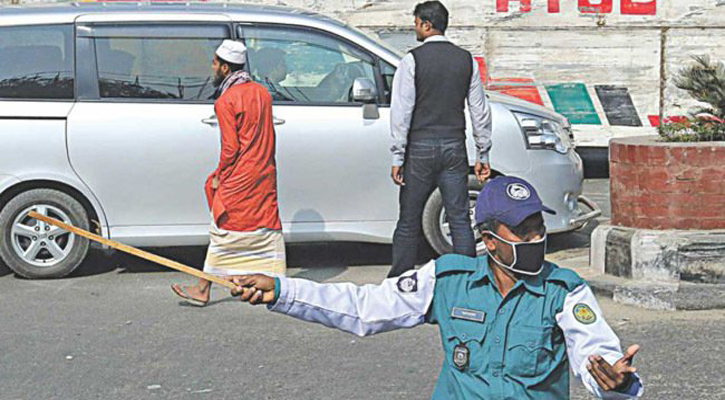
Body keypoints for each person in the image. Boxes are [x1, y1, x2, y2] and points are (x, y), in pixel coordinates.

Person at [229, 176, 644, 399]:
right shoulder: (447, 279)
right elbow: (365, 307)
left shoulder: (564, 290)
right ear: (490, 239)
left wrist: (615, 381)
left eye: (538, 228)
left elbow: (595, 351)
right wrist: (283, 292)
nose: (536, 239)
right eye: (522, 231)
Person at [171, 40, 286, 306]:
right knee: (267, 228)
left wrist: (220, 174)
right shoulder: (262, 92)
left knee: (223, 229)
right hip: (265, 173)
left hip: (241, 176)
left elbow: (231, 147)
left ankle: (203, 289)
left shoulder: (226, 100)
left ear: (224, 67)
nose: (212, 68)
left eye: (214, 63)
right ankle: (279, 282)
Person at [389, 1, 493, 278]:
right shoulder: (466, 60)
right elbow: (480, 110)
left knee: (409, 219)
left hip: (420, 147)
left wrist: (398, 156)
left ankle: (399, 280)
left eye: (416, 24)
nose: (415, 29)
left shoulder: (412, 60)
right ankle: (468, 279)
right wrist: (483, 153)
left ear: (426, 24)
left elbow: (402, 111)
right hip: (454, 147)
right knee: (459, 218)